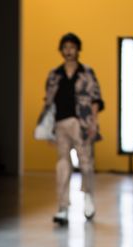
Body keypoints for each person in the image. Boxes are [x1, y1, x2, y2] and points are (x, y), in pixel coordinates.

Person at [39, 32, 103, 226]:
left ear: (78, 50)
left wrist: (93, 123)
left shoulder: (87, 73)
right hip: (60, 123)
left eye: (72, 47)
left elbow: (95, 99)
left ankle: (88, 198)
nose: (68, 51)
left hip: (81, 123)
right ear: (61, 50)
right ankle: (63, 207)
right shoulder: (54, 75)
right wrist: (47, 129)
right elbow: (48, 102)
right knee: (62, 165)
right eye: (65, 48)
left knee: (86, 163)